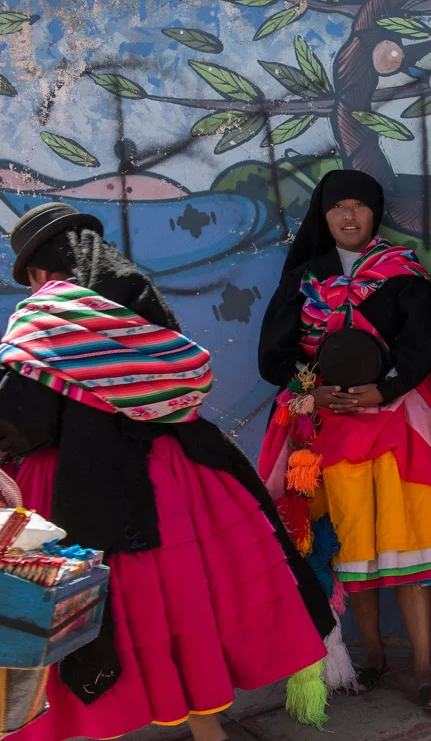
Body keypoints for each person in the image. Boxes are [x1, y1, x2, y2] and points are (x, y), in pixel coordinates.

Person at [0, 203, 332, 741]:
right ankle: (208, 731)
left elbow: (24, 419)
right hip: (179, 479)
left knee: (101, 616)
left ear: (38, 272)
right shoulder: (136, 303)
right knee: (185, 609)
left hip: (82, 491)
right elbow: (176, 390)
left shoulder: (45, 320)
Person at [256, 169, 431, 711]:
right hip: (321, 428)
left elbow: (421, 347)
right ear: (324, 218)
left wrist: (380, 390)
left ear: (375, 213)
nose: (349, 217)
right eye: (337, 208)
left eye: (360, 207)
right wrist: (313, 392)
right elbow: (272, 353)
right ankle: (375, 656)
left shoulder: (402, 274)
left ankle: (424, 666)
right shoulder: (302, 277)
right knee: (352, 548)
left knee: (409, 539)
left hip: (396, 421)